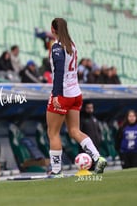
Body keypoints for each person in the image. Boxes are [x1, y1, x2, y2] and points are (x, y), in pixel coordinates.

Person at [46, 18, 107, 177]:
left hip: (63, 93)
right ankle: (97, 157)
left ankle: (57, 170)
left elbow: (59, 71)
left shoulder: (57, 47)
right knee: (74, 130)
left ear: (53, 29)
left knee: (53, 132)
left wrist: (56, 95)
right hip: (76, 93)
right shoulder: (72, 45)